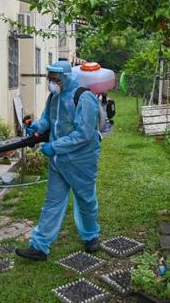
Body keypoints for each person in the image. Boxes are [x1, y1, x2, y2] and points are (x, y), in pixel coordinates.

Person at [15, 61, 102, 261]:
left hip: (81, 161)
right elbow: (48, 119)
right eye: (49, 79)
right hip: (58, 161)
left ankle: (90, 235)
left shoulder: (84, 98)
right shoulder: (54, 96)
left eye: (55, 80)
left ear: (66, 77)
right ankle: (39, 246)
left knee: (85, 199)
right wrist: (37, 126)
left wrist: (55, 146)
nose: (51, 83)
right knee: (52, 203)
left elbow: (84, 134)